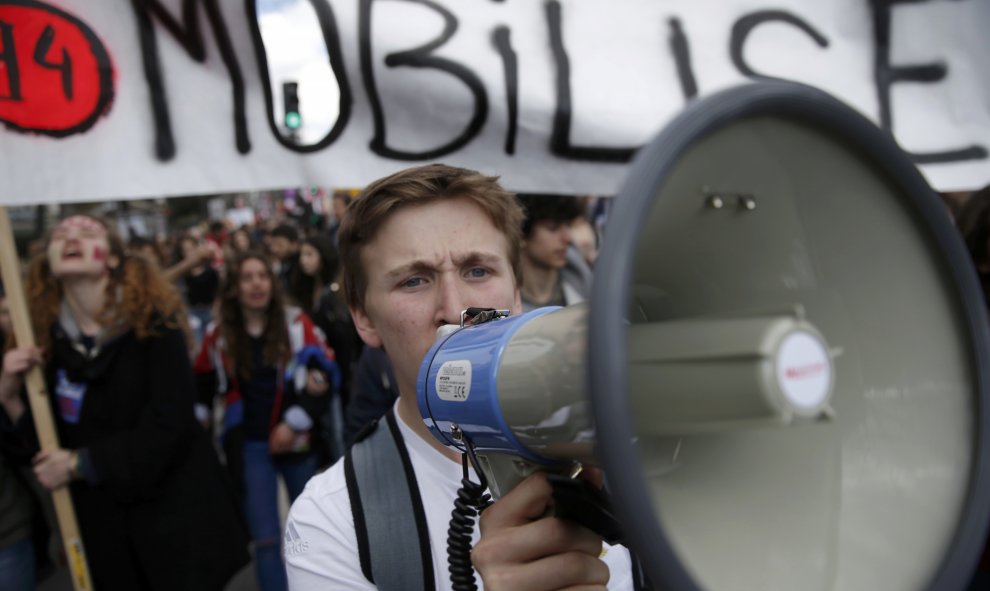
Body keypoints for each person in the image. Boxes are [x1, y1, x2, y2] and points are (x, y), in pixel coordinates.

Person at [285, 164, 633, 590]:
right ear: (363, 316)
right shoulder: (332, 520)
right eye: (414, 281)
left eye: (478, 271)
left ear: (517, 292)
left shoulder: (624, 443)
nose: (455, 309)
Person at [0, 214, 249, 590]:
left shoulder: (154, 324)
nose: (71, 236)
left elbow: (170, 424)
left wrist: (81, 463)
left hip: (176, 523)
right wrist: (10, 396)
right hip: (110, 537)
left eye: (86, 232)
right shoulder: (44, 345)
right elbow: (46, 450)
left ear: (112, 258)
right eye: (62, 234)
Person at [194, 250, 338, 591]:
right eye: (247, 277)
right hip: (249, 446)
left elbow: (325, 372)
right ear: (234, 287)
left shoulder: (295, 324)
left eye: (262, 275)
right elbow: (200, 383)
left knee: (309, 530)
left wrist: (294, 421)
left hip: (297, 439)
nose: (256, 284)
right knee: (266, 539)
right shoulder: (218, 335)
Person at [291, 234, 361, 465]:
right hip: (312, 370)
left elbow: (342, 338)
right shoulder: (303, 289)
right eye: (302, 254)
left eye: (310, 254)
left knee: (338, 429)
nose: (304, 260)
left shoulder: (335, 292)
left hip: (336, 373)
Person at [515, 193, 593, 312]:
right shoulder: (504, 300)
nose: (567, 237)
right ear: (521, 235)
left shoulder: (581, 280)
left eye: (568, 225)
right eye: (553, 227)